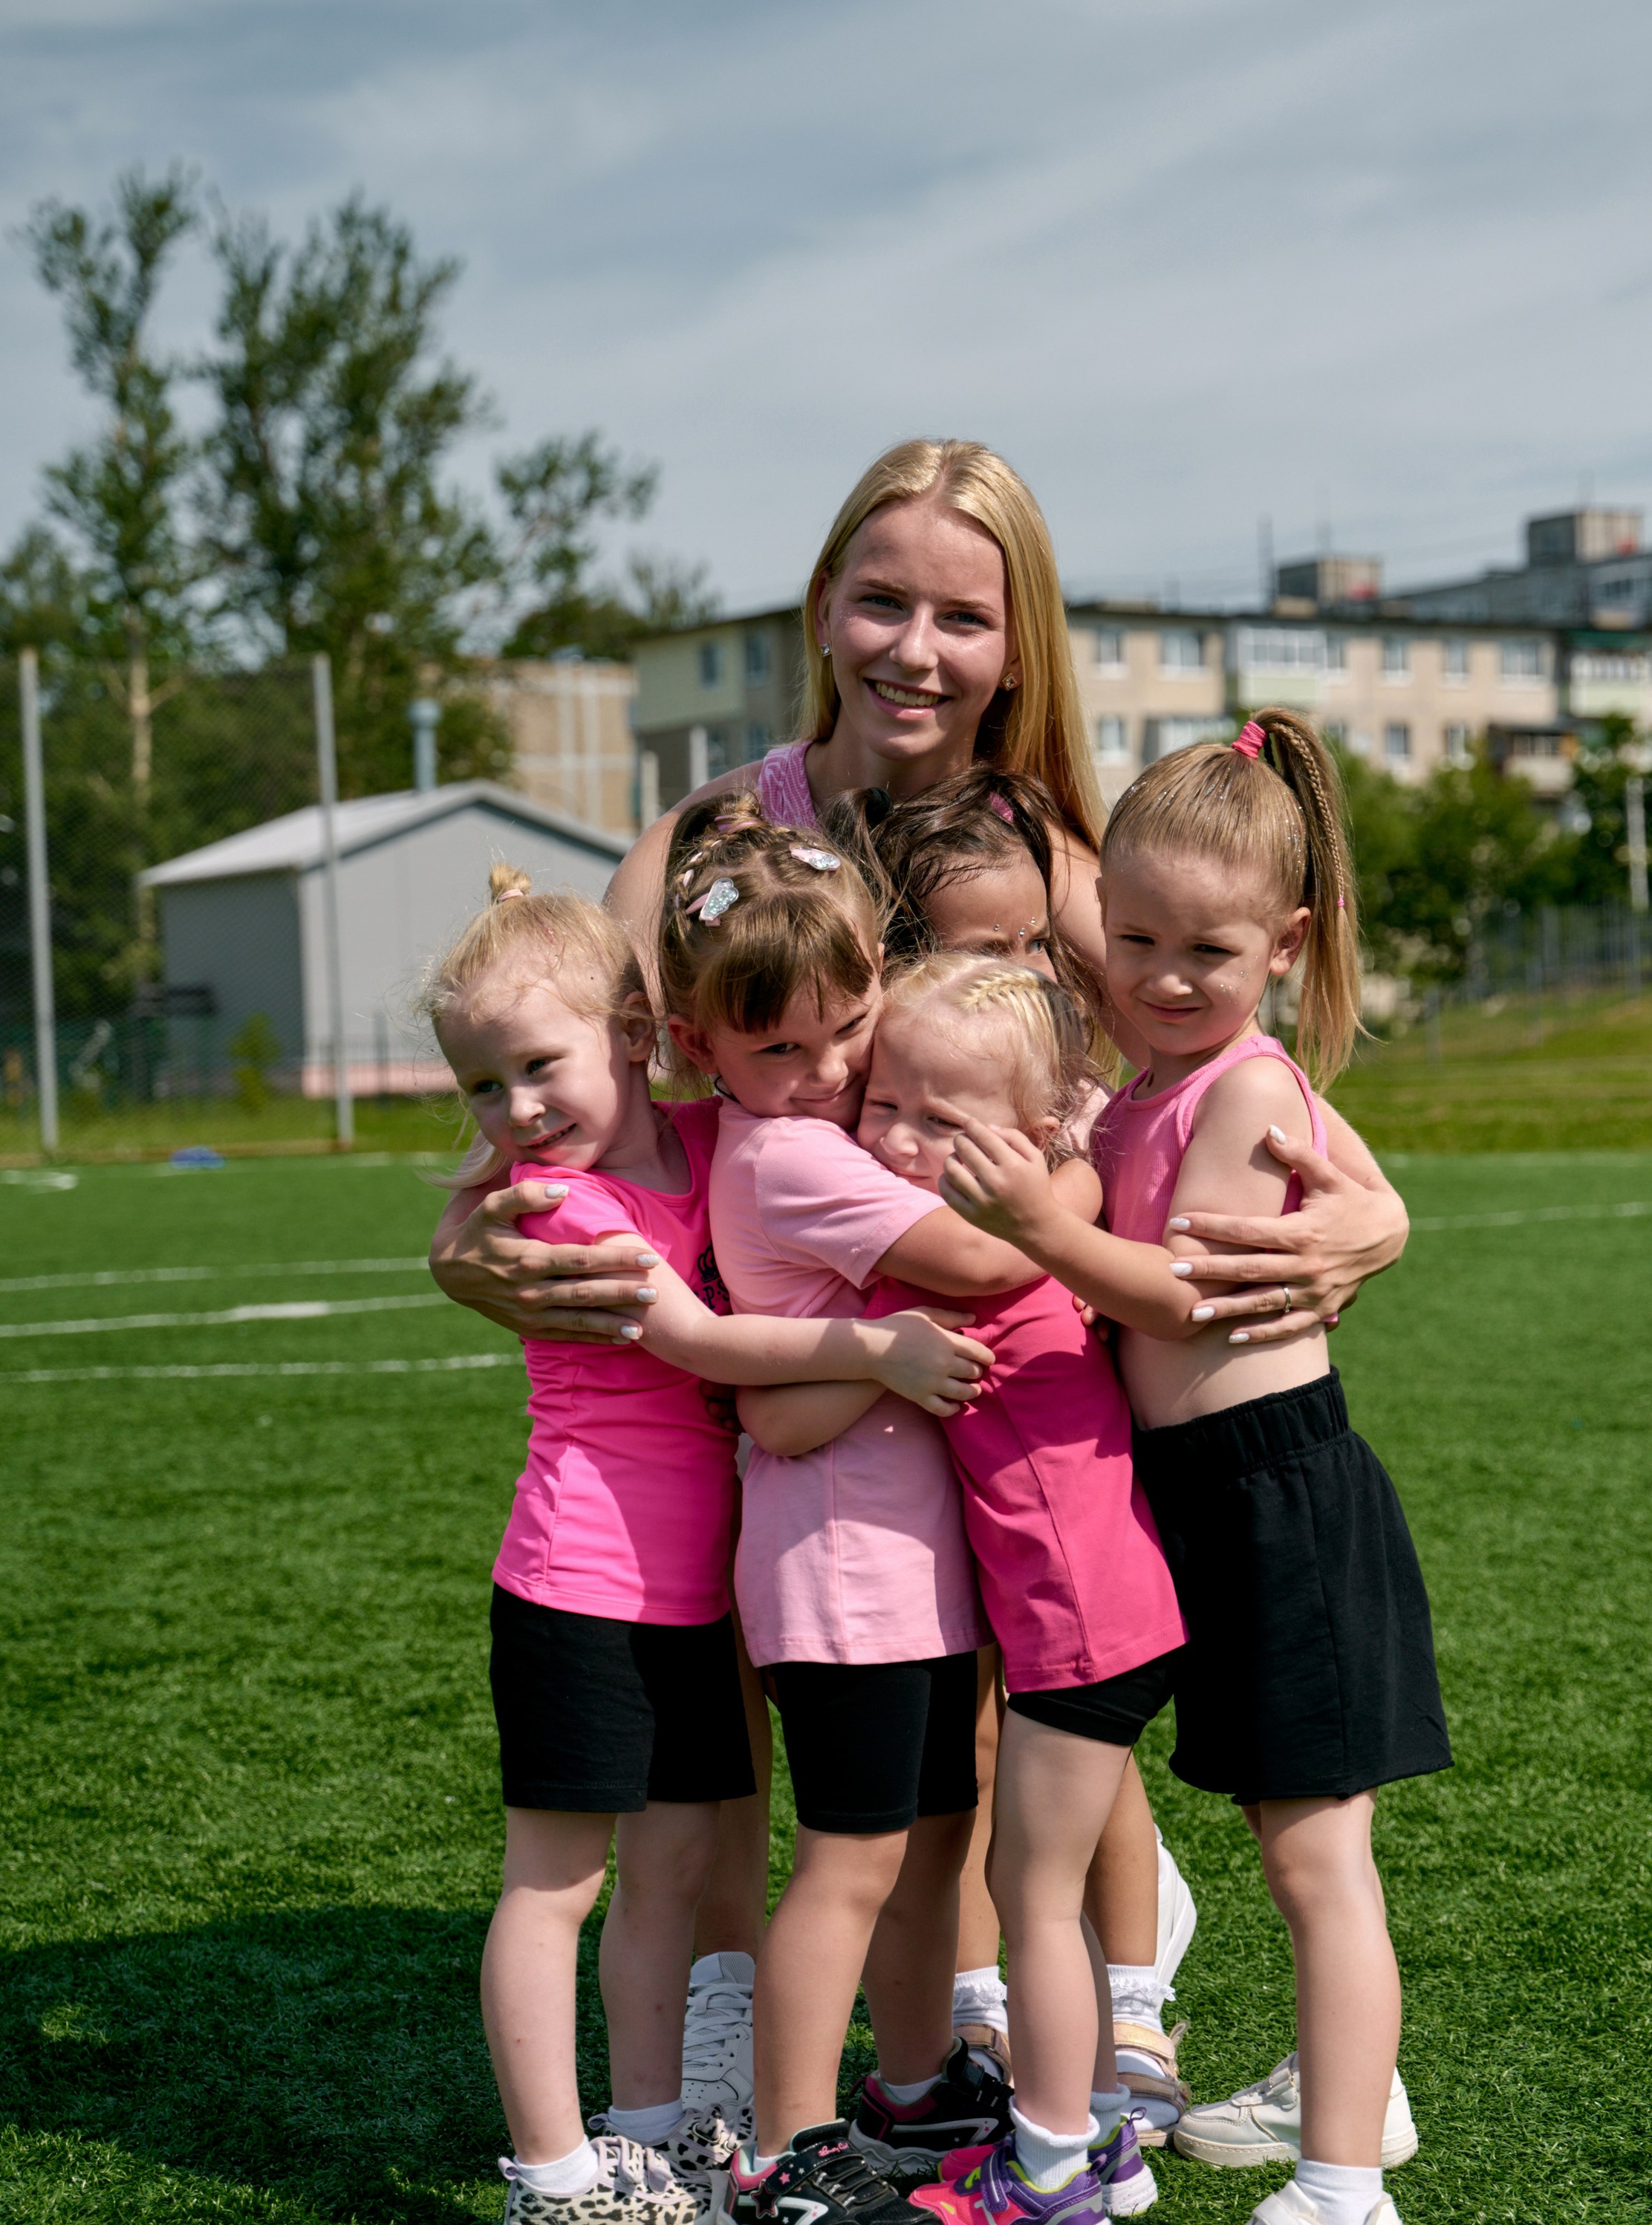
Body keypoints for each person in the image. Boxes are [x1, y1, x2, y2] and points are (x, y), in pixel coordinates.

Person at [427, 437, 1414, 2125]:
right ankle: (752, 2011)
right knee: (780, 1693)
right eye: (878, 601)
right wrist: (467, 1244)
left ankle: (1097, 2006)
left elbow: (1214, 1045)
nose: (913, 647)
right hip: (793, 1346)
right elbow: (570, 1090)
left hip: (1014, 1342)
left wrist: (1377, 1220)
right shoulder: (708, 839)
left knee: (1033, 1677)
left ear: (1014, 643)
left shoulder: (1046, 845)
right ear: (821, 609)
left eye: (961, 614)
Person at [942, 709, 1451, 2225]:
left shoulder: (1243, 1088)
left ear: (1285, 946)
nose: (1163, 974)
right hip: (1204, 1501)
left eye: (1208, 948)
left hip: (1280, 1497)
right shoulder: (1153, 1086)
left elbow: (1174, 1293)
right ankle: (1342, 2113)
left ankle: (1343, 2216)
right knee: (1280, 1842)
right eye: (1136, 940)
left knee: (1317, 1861)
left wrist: (1036, 1226)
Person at [422, 864, 993, 2225]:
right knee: (553, 1885)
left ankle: (653, 2128)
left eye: (537, 1069)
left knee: (673, 1872)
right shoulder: (557, 1208)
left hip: (689, 1594)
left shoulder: (698, 1135)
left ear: (635, 1030)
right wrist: (877, 1348)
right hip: (579, 1580)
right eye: (484, 1090)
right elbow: (697, 1340)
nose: (517, 1113)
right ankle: (554, 2171)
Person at [741, 953, 1185, 2225]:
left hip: (1073, 1622)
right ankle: (1071, 2129)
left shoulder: (977, 1266)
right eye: (890, 1103)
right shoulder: (1016, 1242)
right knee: (1015, 1881)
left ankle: (1052, 2169)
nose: (899, 1138)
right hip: (1096, 1611)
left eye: (945, 1120)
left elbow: (784, 1414)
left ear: (1032, 1139)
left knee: (1030, 1893)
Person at [828, 763, 1199, 2122]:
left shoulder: (1046, 1125)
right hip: (983, 1518)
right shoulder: (899, 1106)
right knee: (986, 1764)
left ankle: (1131, 2021)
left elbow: (1036, 1238)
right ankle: (1005, 2024)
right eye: (993, 948)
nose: (1039, 969)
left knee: (1078, 1785)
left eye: (1042, 940)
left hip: (1079, 1535)